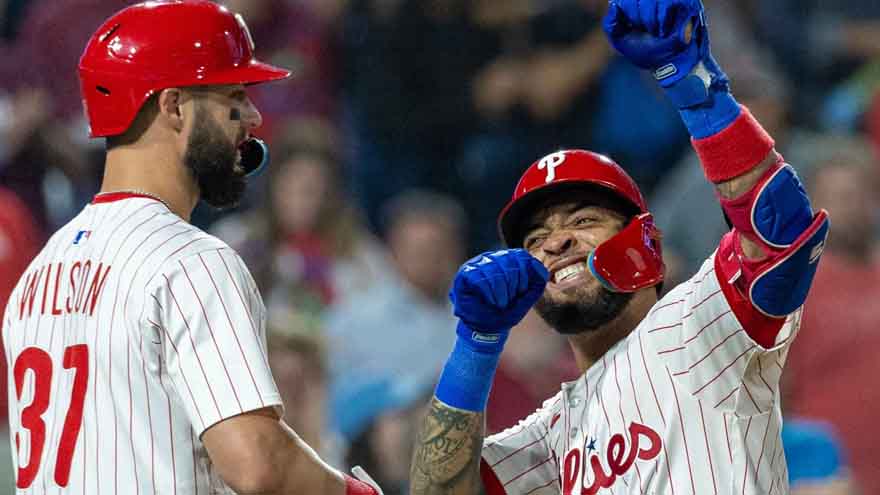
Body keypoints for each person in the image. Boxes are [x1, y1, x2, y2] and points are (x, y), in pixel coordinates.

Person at [409, 0, 830, 493]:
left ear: (647, 244)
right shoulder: (549, 437)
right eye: (536, 240)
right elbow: (435, 490)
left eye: (584, 219)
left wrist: (697, 91)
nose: (556, 242)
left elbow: (779, 231)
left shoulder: (702, 321)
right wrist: (475, 345)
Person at [1, 2, 382, 494]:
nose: (254, 117)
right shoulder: (192, 260)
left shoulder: (41, 269)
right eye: (234, 98)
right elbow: (259, 464)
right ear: (174, 106)